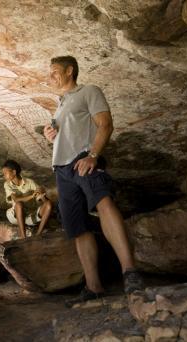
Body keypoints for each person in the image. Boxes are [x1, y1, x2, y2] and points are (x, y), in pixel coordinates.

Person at [43, 55, 143, 306]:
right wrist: (51, 136)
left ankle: (130, 273)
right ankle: (93, 286)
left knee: (103, 201)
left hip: (83, 158)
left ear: (70, 71)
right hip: (61, 169)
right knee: (78, 228)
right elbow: (66, 134)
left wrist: (93, 156)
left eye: (55, 71)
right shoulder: (60, 103)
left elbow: (105, 125)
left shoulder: (88, 91)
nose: (50, 76)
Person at [1, 159, 53, 239]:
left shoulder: (30, 182)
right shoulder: (7, 185)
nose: (4, 175)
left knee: (49, 204)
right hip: (15, 217)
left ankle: (38, 234)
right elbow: (16, 200)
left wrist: (41, 195)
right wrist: (31, 196)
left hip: (30, 217)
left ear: (14, 172)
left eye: (5, 173)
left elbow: (44, 199)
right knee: (18, 204)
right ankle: (23, 236)